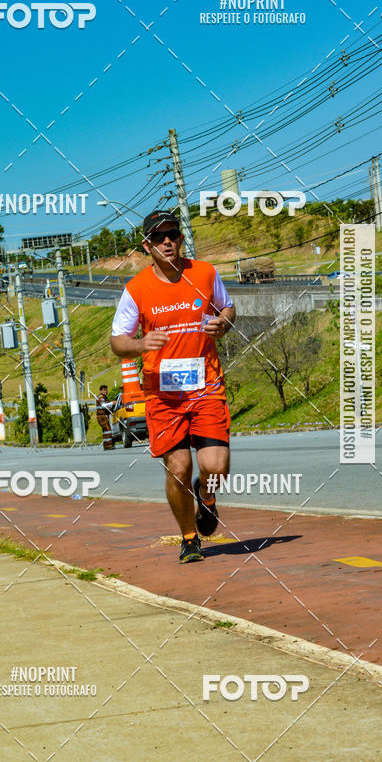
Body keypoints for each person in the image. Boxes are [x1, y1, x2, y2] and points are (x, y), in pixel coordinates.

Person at [110, 209, 236, 563]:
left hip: (205, 385)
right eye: (159, 237)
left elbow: (228, 308)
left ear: (181, 238)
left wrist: (223, 324)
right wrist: (140, 344)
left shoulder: (206, 273)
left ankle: (206, 498)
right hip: (163, 396)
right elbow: (118, 341)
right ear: (147, 245)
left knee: (216, 466)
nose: (168, 242)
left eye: (174, 235)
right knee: (179, 468)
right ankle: (188, 537)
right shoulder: (136, 289)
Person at [95, 384, 115, 450]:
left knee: (105, 431)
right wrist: (112, 403)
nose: (105, 392)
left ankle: (106, 445)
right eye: (103, 390)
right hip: (102, 416)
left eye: (106, 390)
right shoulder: (101, 397)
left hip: (104, 416)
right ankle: (108, 445)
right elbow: (104, 405)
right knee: (107, 430)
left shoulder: (104, 397)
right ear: (100, 391)